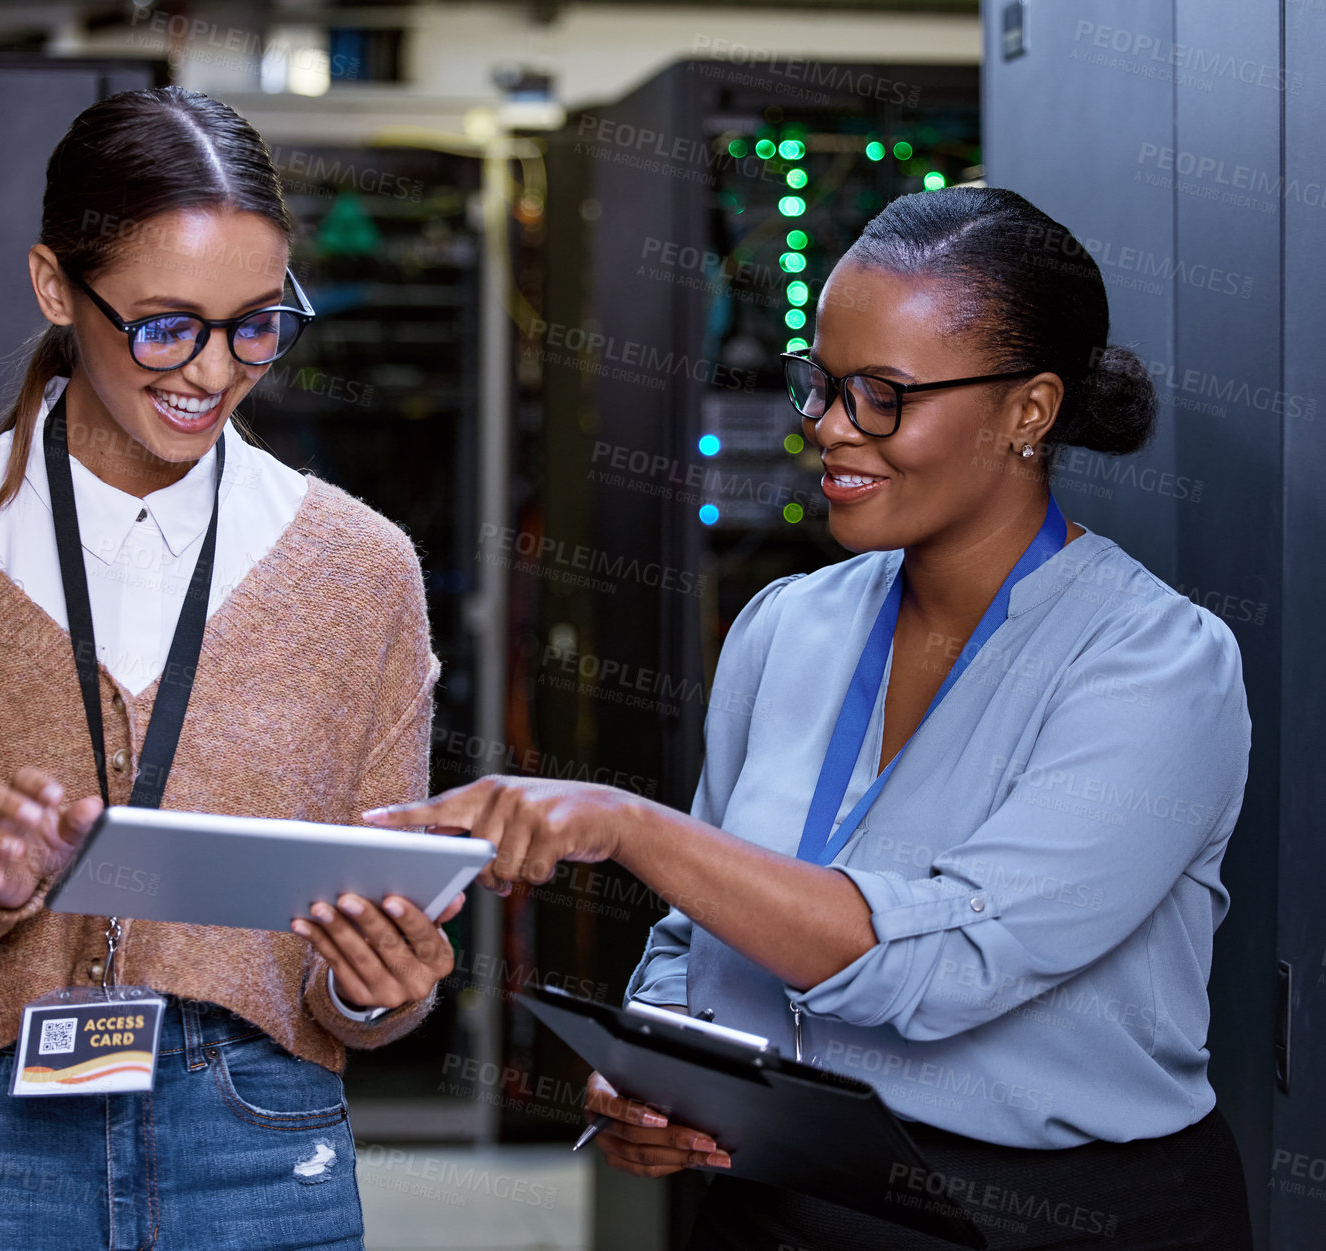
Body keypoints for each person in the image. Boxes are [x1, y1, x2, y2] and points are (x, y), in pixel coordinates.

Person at [363, 187, 1254, 1249]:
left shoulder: (1155, 663)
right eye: (822, 385)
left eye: (882, 395)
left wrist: (625, 823)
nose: (828, 427)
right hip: (780, 1193)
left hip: (1047, 1217)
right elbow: (701, 930)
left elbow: (942, 968)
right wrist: (655, 1070)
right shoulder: (790, 624)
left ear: (1029, 411)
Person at [0, 85, 460, 1251]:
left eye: (256, 323)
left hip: (259, 1146)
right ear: (55, 287)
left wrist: (380, 987)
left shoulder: (361, 571)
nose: (213, 369)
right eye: (164, 324)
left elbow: (364, 992)